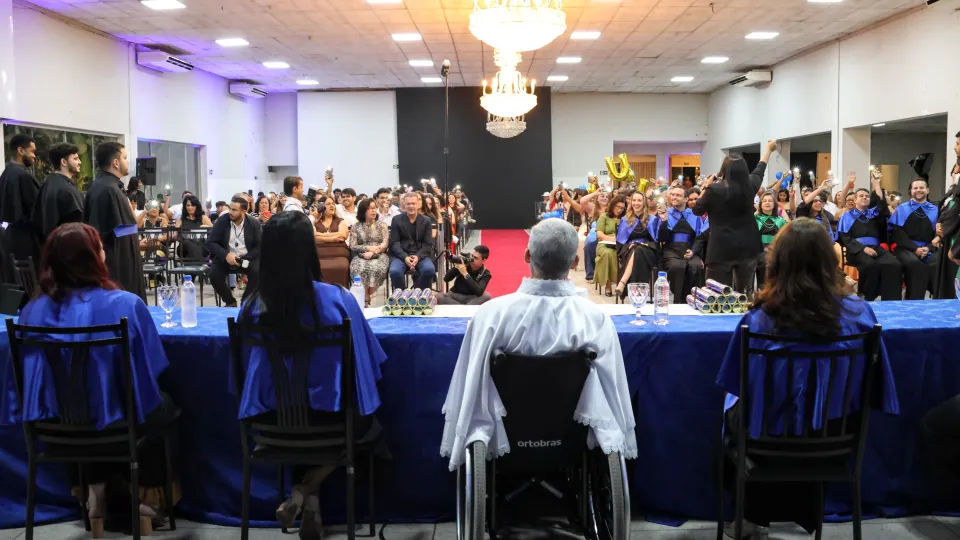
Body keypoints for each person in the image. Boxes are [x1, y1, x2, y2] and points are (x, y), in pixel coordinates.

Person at [715, 218, 899, 538]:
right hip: (835, 439)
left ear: (778, 261)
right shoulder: (860, 314)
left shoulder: (758, 319)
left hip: (764, 442)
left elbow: (736, 383)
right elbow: (876, 386)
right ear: (829, 262)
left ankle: (749, 517)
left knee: (733, 410)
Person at [6, 222, 178, 530]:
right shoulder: (126, 304)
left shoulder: (31, 311)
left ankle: (98, 491)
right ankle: (144, 495)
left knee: (90, 405)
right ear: (93, 258)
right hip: (116, 423)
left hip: (53, 424)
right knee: (160, 405)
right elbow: (151, 366)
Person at [439, 218, 637, 471]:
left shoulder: (490, 315)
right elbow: (613, 390)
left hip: (508, 430)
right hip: (571, 433)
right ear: (575, 262)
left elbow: (471, 387)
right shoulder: (596, 319)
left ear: (526, 255)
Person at [235, 211, 386, 540]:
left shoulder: (251, 307)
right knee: (362, 423)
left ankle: (306, 501)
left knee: (297, 417)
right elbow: (368, 365)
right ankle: (304, 493)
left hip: (268, 423)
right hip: (333, 425)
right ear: (308, 250)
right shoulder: (339, 299)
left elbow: (245, 372)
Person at [693, 140, 777, 293]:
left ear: (723, 169)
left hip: (721, 248)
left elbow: (697, 209)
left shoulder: (714, 189)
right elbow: (760, 169)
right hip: (748, 248)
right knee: (744, 294)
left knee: (717, 294)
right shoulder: (751, 185)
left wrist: (705, 186)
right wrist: (768, 150)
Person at [83, 142, 146, 301]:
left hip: (124, 258)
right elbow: (102, 233)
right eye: (125, 158)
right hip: (118, 265)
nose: (127, 162)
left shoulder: (109, 187)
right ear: (116, 163)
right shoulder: (108, 189)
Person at [838, 172, 902, 301]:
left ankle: (890, 299)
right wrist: (863, 248)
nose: (865, 198)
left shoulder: (873, 214)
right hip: (856, 250)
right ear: (855, 200)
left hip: (875, 247)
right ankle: (867, 297)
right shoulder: (847, 215)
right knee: (871, 265)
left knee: (894, 263)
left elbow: (882, 204)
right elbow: (845, 238)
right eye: (861, 196)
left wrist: (876, 184)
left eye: (867, 196)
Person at [206, 195, 261, 307]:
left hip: (246, 258)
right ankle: (230, 301)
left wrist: (245, 258)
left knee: (258, 272)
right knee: (214, 275)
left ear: (244, 211)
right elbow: (210, 242)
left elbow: (260, 246)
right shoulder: (222, 221)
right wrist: (226, 255)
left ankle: (245, 302)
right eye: (230, 208)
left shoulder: (254, 223)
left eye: (234, 210)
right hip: (226, 258)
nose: (230, 212)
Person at [0, 133, 41, 284]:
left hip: (9, 240)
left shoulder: (5, 174)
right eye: (32, 151)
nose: (34, 156)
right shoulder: (23, 176)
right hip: (26, 242)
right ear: (20, 150)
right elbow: (37, 210)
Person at [889, 177, 939, 300]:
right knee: (915, 265)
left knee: (938, 264)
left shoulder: (935, 210)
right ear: (911, 191)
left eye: (921, 187)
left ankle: (939, 302)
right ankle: (913, 302)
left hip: (929, 248)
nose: (918, 190)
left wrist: (928, 248)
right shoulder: (902, 208)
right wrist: (915, 248)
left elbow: (938, 234)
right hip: (906, 249)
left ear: (927, 190)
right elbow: (897, 233)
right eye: (915, 188)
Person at [658, 186, 707, 303]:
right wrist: (664, 220)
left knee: (696, 267)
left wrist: (693, 251)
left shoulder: (695, 215)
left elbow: (699, 238)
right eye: (672, 195)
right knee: (677, 267)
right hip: (671, 250)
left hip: (689, 249)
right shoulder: (666, 213)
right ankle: (678, 301)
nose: (674, 197)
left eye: (678, 195)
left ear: (686, 199)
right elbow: (661, 238)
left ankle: (693, 301)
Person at [31, 142, 84, 243]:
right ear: (64, 162)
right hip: (67, 248)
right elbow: (78, 229)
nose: (80, 162)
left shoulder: (46, 184)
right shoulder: (68, 191)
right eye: (75, 159)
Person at [615, 191, 659, 299]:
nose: (636, 203)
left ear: (644, 202)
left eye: (639, 200)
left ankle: (623, 282)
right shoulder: (625, 220)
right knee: (637, 249)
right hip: (629, 251)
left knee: (639, 249)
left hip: (649, 251)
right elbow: (620, 244)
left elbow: (657, 242)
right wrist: (628, 247)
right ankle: (641, 293)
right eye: (634, 200)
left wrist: (645, 244)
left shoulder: (652, 220)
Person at [389, 192, 436, 290]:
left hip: (420, 255)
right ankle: (402, 295)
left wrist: (418, 257)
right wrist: (404, 257)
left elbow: (428, 244)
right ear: (404, 204)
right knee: (394, 271)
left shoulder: (426, 220)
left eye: (413, 203)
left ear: (418, 204)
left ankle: (416, 294)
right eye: (408, 204)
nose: (411, 206)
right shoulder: (396, 220)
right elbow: (394, 242)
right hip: (401, 255)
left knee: (429, 270)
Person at [348, 199, 390, 306]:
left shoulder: (382, 225)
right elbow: (353, 245)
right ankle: (365, 298)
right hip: (361, 255)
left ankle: (367, 294)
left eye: (374, 208)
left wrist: (373, 252)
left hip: (379, 255)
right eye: (370, 208)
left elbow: (385, 244)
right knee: (358, 268)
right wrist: (366, 249)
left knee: (377, 268)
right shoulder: (356, 226)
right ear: (363, 211)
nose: (373, 211)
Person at [314, 195, 350, 287]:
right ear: (321, 207)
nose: (332, 206)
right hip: (320, 256)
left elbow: (343, 235)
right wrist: (333, 238)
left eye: (333, 204)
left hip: (339, 255)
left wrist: (321, 235)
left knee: (342, 267)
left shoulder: (340, 221)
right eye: (328, 204)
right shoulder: (315, 222)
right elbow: (313, 237)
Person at [754, 191, 787, 289]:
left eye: (770, 201)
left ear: (774, 204)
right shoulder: (755, 218)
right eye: (764, 201)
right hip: (758, 253)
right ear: (760, 204)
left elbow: (785, 238)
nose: (767, 203)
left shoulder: (780, 220)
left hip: (775, 253)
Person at [595, 195, 626, 297]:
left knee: (616, 253)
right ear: (612, 205)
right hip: (604, 244)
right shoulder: (604, 216)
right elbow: (599, 234)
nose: (619, 210)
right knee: (608, 253)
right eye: (618, 207)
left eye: (622, 208)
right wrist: (612, 239)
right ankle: (609, 284)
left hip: (621, 244)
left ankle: (619, 282)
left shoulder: (625, 219)